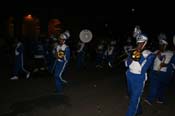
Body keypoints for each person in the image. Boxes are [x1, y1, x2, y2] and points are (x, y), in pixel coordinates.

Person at [125, 34, 155, 116]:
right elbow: (127, 64)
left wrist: (136, 53)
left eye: (141, 43)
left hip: (139, 78)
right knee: (132, 96)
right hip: (129, 75)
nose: (139, 45)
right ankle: (139, 110)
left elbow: (143, 67)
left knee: (134, 100)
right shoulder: (132, 51)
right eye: (138, 43)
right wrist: (132, 54)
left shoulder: (149, 54)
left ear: (145, 43)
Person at [144, 33, 175, 105]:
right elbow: (149, 59)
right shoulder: (156, 52)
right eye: (160, 45)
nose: (161, 46)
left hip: (165, 74)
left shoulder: (171, 53)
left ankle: (160, 98)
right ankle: (150, 99)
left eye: (162, 45)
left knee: (162, 87)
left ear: (166, 45)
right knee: (153, 86)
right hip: (155, 72)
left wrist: (166, 65)